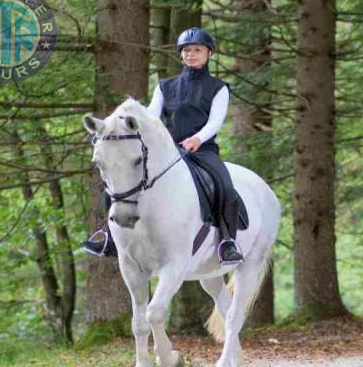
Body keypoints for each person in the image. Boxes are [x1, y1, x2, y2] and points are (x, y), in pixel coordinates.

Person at [83, 27, 243, 266]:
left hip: (202, 151)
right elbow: (151, 118)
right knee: (119, 179)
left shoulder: (218, 88)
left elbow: (215, 122)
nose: (191, 54)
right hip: (168, 152)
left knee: (224, 185)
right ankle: (108, 235)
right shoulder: (165, 86)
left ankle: (227, 242)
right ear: (181, 55)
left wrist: (197, 139)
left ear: (209, 53)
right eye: (187, 50)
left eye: (197, 50)